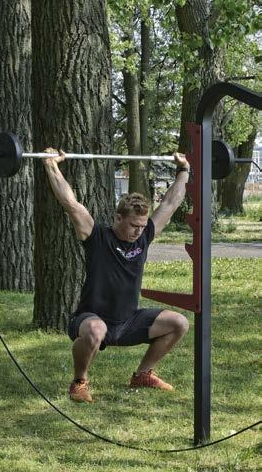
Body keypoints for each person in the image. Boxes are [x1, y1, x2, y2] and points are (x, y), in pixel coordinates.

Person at [43, 149, 190, 403]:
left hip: (128, 321)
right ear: (118, 217)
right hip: (91, 319)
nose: (138, 231)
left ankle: (143, 374)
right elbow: (71, 205)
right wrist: (50, 165)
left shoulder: (143, 238)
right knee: (96, 330)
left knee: (179, 323)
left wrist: (184, 170)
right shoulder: (98, 237)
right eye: (134, 225)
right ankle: (79, 382)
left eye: (142, 226)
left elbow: (169, 203)